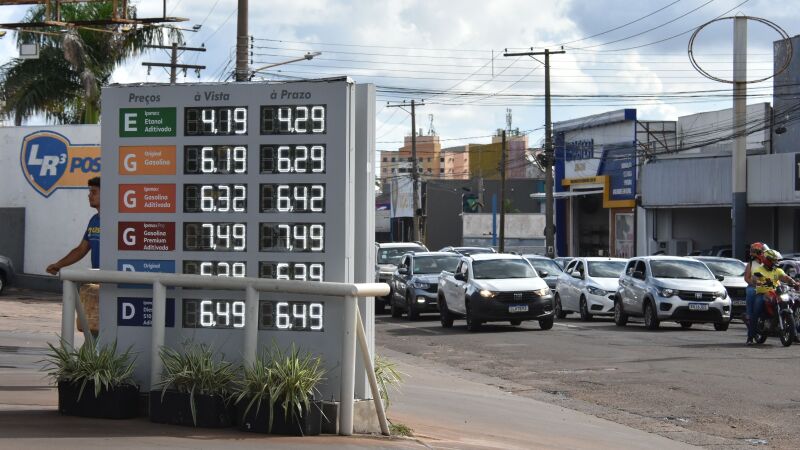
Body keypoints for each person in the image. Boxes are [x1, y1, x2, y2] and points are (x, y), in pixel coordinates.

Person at [46, 177, 100, 274]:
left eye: (94, 192)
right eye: (90, 192)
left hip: (114, 280)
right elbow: (81, 250)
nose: (89, 195)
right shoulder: (94, 220)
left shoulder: (115, 222)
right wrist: (58, 265)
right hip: (99, 278)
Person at [748, 249, 799, 345]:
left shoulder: (778, 270)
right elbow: (754, 279)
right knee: (756, 311)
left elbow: (785, 277)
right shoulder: (759, 269)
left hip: (776, 293)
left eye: (776, 260)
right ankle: (750, 337)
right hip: (763, 294)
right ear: (767, 260)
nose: (776, 262)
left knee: (788, 305)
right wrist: (758, 282)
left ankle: (794, 334)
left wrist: (794, 283)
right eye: (774, 260)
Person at [743, 242, 768, 344]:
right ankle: (749, 316)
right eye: (762, 252)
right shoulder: (751, 264)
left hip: (767, 288)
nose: (764, 254)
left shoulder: (768, 264)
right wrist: (754, 284)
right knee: (751, 293)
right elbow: (747, 278)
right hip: (754, 288)